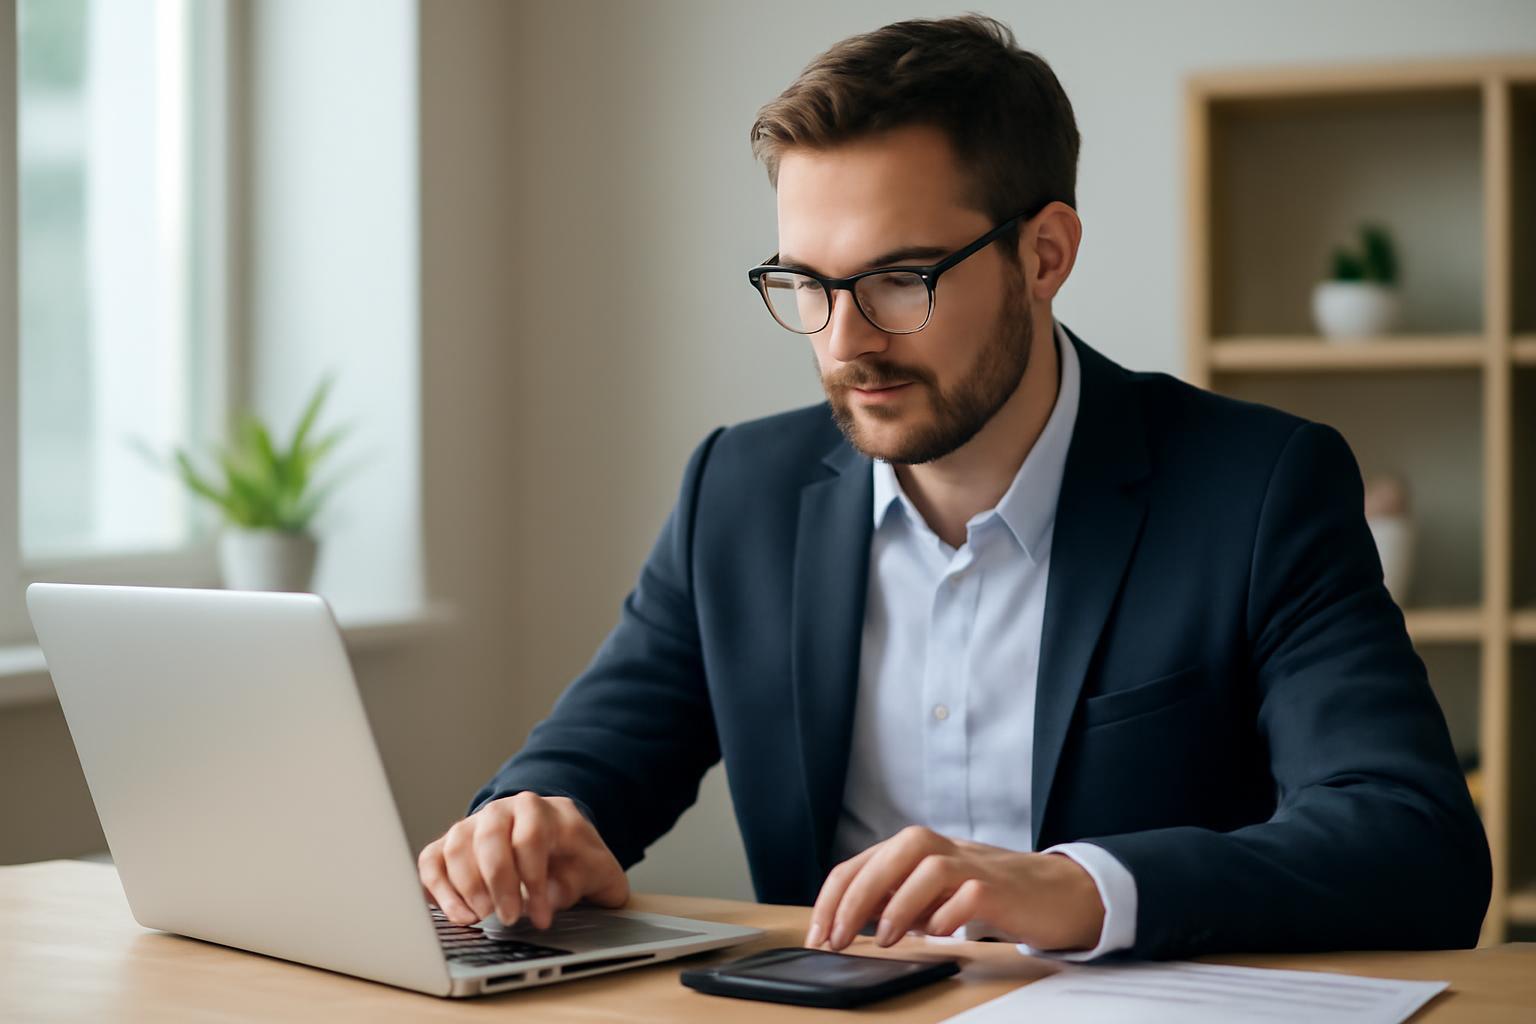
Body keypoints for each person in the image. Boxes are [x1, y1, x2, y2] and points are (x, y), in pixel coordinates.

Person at [417, 14, 1490, 960]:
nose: (845, 341)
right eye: (806, 283)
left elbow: (1415, 843)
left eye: (900, 279)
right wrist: (521, 829)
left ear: (1046, 254)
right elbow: (584, 769)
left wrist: (1081, 887)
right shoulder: (738, 493)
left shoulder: (1256, 489)